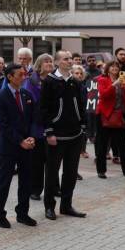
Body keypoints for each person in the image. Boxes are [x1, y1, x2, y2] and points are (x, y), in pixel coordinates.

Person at [40, 50, 87, 220]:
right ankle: (49, 206)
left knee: (71, 172)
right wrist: (49, 131)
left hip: (75, 135)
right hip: (56, 136)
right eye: (66, 59)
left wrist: (82, 125)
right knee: (52, 173)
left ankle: (66, 205)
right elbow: (43, 109)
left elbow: (81, 105)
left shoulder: (75, 81)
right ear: (58, 62)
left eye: (70, 59)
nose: (69, 61)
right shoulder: (49, 82)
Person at [0, 64, 38, 229]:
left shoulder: (26, 94)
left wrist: (31, 136)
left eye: (24, 74)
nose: (24, 77)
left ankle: (23, 213)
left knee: (26, 181)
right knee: (4, 181)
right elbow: (3, 125)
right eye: (20, 74)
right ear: (10, 77)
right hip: (9, 146)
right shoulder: (0, 96)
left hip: (27, 145)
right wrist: (20, 141)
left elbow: (33, 118)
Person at [96, 60, 125, 178]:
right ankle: (101, 170)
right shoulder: (102, 80)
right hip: (105, 115)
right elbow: (103, 95)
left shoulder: (124, 80)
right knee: (102, 144)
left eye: (116, 66)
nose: (114, 68)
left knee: (122, 144)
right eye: (112, 66)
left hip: (121, 115)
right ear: (107, 69)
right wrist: (115, 84)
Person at [24, 54, 53, 201]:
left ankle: (54, 188)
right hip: (36, 125)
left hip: (52, 124)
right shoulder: (31, 82)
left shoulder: (54, 80)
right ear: (39, 65)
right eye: (46, 61)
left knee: (52, 160)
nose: (49, 63)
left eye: (50, 61)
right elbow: (30, 102)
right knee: (37, 161)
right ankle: (35, 189)